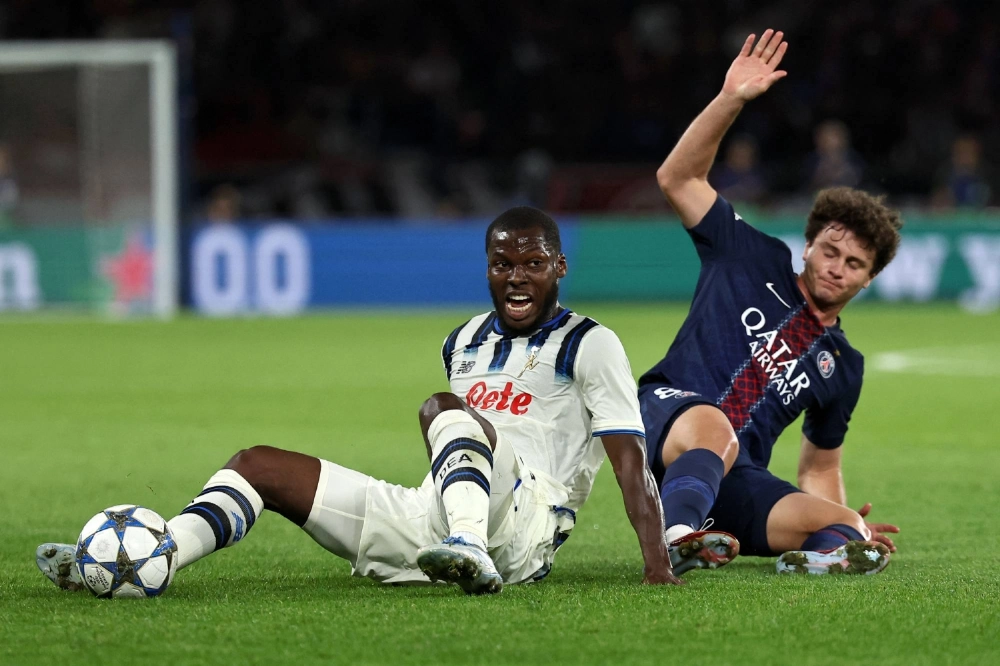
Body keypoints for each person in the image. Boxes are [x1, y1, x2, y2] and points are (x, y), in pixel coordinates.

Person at [38, 206, 699, 597]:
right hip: (433, 512)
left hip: (521, 531)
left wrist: (656, 566)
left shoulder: (592, 343)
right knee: (257, 464)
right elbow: (458, 449)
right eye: (503, 264)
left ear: (558, 268)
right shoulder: (462, 339)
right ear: (488, 267)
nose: (516, 277)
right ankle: (147, 559)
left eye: (531, 264)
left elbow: (628, 460)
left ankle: (469, 545)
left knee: (443, 410)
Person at [642, 30, 902, 575]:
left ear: (869, 280)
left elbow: (820, 466)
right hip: (666, 416)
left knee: (850, 530)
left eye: (854, 264)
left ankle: (808, 558)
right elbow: (677, 178)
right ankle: (676, 536)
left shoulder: (843, 365)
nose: (836, 267)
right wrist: (730, 98)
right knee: (715, 427)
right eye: (830, 251)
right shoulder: (747, 254)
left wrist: (841, 515)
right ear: (808, 244)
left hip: (733, 480)